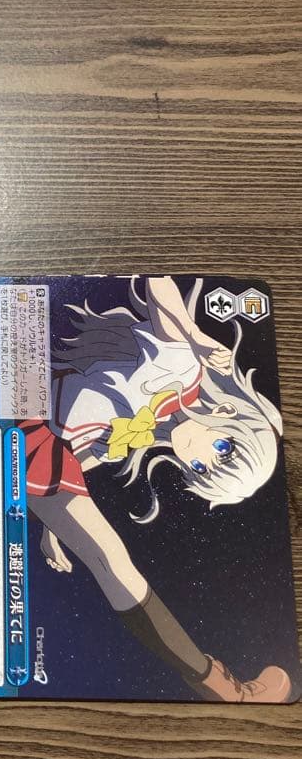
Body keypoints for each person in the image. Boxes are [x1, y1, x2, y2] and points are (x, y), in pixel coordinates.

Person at [23, 276, 290, 702]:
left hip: (37, 449)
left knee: (111, 561)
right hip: (18, 407)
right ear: (228, 415)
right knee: (111, 560)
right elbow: (159, 281)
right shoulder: (183, 369)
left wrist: (52, 529)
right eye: (222, 450)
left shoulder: (145, 433)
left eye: (200, 469)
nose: (198, 456)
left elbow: (75, 462)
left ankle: (218, 686)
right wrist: (194, 334)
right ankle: (218, 685)